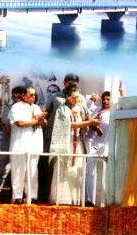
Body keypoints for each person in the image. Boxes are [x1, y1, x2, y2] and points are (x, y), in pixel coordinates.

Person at [38, 73, 88, 203]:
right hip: (55, 138)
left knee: (75, 169)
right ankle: (50, 198)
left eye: (74, 84)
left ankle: (74, 199)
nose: (72, 86)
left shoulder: (81, 99)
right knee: (53, 168)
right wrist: (42, 117)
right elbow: (47, 113)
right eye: (69, 83)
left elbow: (87, 116)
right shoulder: (55, 97)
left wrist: (92, 124)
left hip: (76, 139)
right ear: (64, 83)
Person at [49, 85, 100, 205]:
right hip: (65, 143)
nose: (77, 100)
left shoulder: (81, 107)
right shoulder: (61, 109)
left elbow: (87, 119)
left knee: (77, 171)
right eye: (74, 97)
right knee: (64, 170)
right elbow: (69, 125)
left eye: (78, 97)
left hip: (78, 144)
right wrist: (88, 122)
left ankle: (75, 200)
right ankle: (62, 200)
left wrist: (91, 123)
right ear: (67, 97)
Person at [85, 83, 125, 207]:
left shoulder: (114, 112)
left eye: (108, 99)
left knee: (105, 173)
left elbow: (124, 107)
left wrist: (122, 93)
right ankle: (89, 199)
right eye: (104, 99)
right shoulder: (97, 110)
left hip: (106, 145)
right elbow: (88, 116)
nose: (105, 101)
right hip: (92, 143)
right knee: (89, 172)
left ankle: (106, 201)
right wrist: (95, 126)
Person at [8, 85, 47, 204]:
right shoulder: (16, 107)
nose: (33, 97)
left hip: (34, 144)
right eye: (31, 95)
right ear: (23, 96)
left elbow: (44, 125)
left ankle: (32, 196)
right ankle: (18, 196)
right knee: (18, 171)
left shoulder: (37, 108)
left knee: (33, 171)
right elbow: (20, 123)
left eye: (34, 95)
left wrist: (42, 119)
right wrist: (36, 121)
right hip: (20, 144)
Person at [0, 86, 23, 190]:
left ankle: (20, 195)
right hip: (8, 143)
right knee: (3, 169)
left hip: (22, 143)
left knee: (22, 170)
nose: (16, 100)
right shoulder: (8, 108)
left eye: (19, 97)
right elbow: (7, 129)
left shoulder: (30, 109)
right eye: (14, 97)